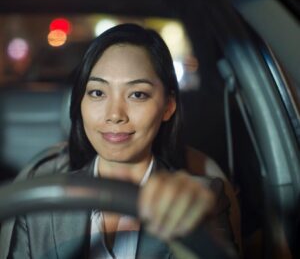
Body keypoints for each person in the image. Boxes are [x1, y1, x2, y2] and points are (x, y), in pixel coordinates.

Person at [0, 23, 236, 258]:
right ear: (80, 101)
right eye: (98, 93)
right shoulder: (41, 199)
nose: (115, 114)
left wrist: (192, 229)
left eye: (137, 94)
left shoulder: (201, 200)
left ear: (168, 107)